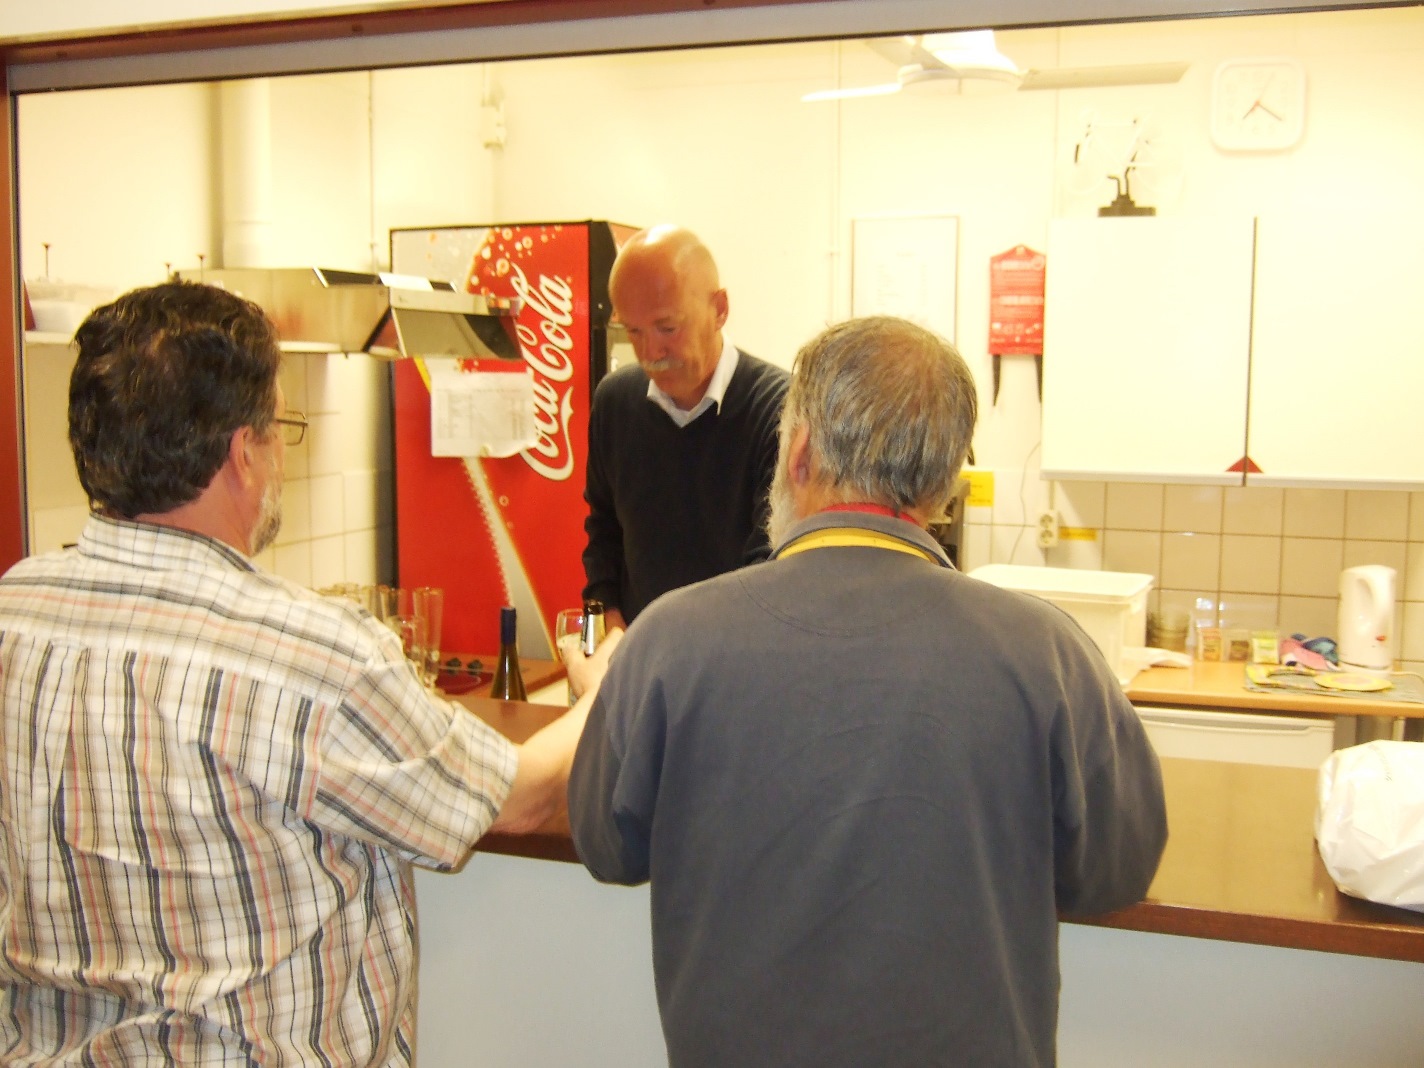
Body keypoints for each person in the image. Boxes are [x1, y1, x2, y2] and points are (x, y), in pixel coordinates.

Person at [0, 280, 615, 1066]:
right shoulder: (314, 654)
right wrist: (601, 694)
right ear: (242, 456)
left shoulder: (14, 612)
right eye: (279, 431)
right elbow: (517, 799)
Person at [567, 315, 1168, 1067]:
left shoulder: (667, 640)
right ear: (943, 485)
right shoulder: (1048, 653)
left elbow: (607, 845)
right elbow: (1116, 870)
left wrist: (599, 699)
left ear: (798, 453)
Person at [581, 224, 789, 631]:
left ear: (719, 309)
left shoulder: (780, 409)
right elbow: (603, 529)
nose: (649, 352)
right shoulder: (614, 402)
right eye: (633, 331)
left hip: (737, 649)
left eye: (667, 328)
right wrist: (609, 623)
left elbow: (770, 566)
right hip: (639, 651)